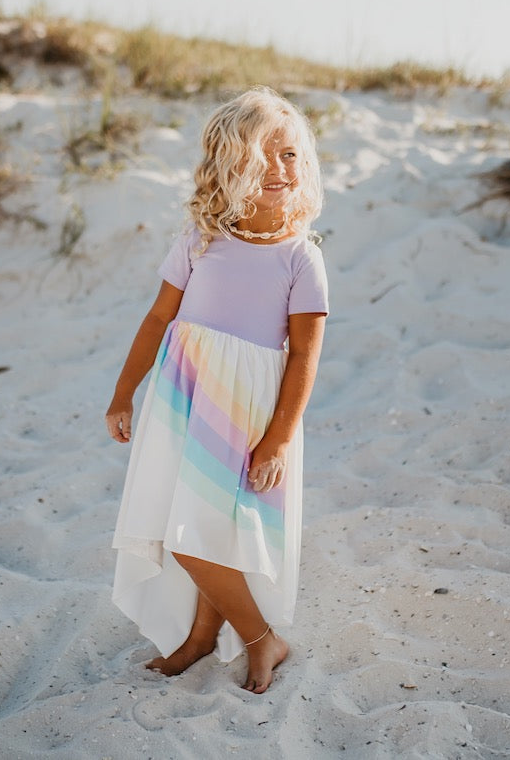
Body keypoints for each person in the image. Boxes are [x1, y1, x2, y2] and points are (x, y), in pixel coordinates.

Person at [105, 86, 329, 694]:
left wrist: (278, 439)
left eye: (290, 156)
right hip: (183, 402)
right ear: (227, 167)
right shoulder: (199, 242)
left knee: (197, 537)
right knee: (194, 524)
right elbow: (157, 321)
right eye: (263, 157)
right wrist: (125, 393)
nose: (281, 170)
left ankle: (262, 639)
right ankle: (203, 638)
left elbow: (305, 355)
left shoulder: (300, 259)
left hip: (248, 412)